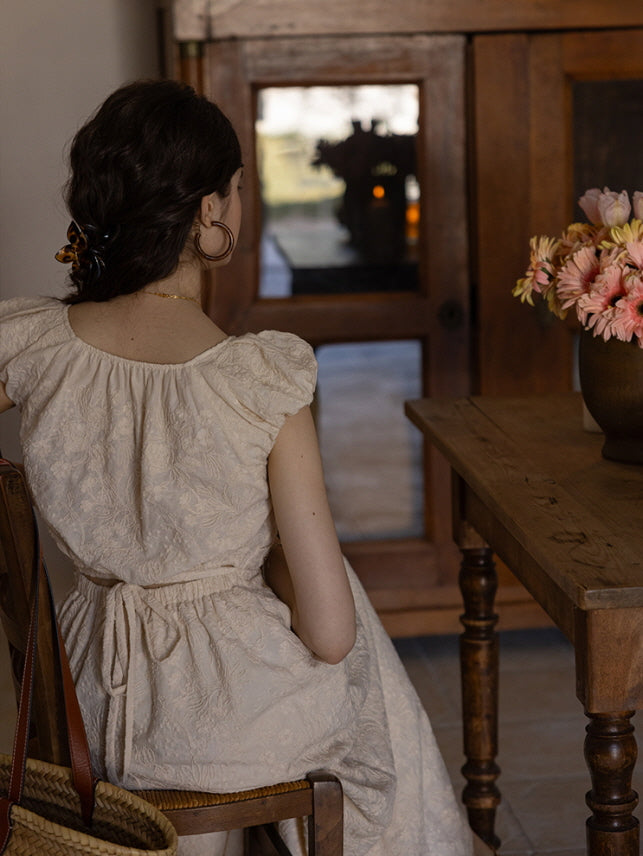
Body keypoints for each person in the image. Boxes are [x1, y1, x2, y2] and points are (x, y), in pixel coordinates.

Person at [0, 80, 486, 856]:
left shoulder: (31, 344)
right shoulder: (258, 379)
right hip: (220, 723)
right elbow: (327, 635)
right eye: (234, 191)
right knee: (363, 682)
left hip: (79, 702)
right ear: (208, 214)